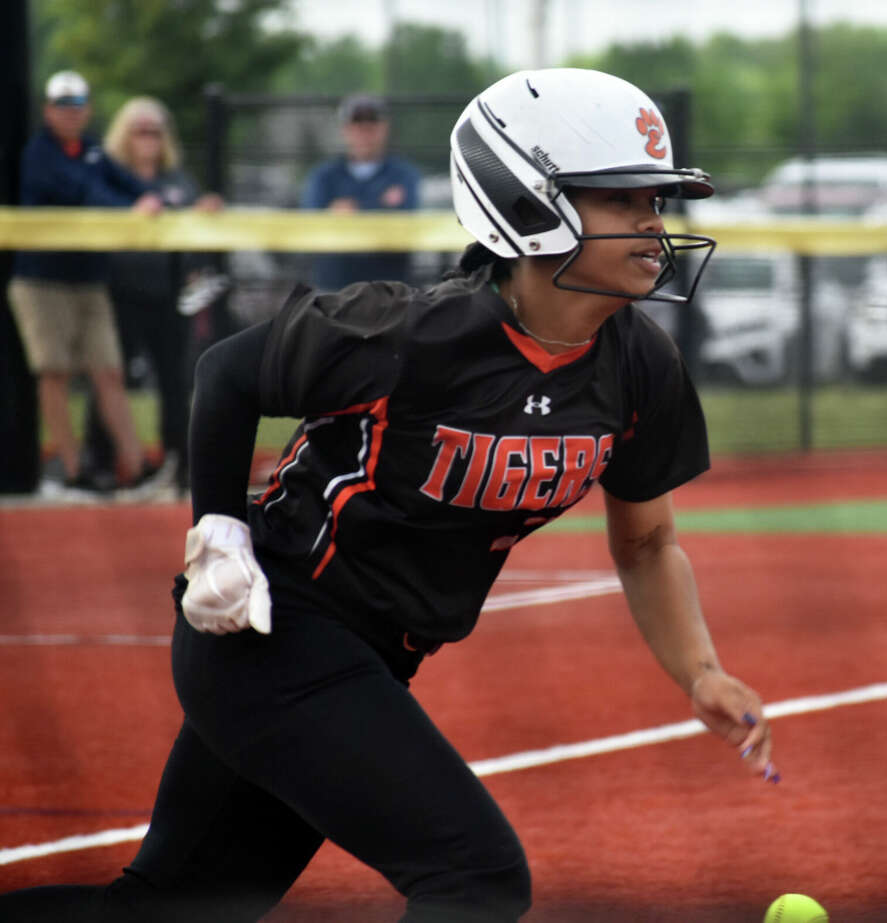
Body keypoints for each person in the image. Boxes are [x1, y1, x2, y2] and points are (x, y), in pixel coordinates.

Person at [0, 68, 777, 921]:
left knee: (168, 910)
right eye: (622, 200)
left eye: (655, 202)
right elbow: (226, 372)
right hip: (276, 634)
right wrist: (219, 531)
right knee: (476, 876)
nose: (652, 222)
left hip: (368, 660)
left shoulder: (639, 363)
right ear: (528, 199)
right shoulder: (415, 333)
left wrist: (701, 671)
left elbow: (649, 543)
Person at [6, 71, 163, 493]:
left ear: (88, 109)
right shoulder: (40, 154)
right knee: (54, 373)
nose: (70, 112)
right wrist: (132, 209)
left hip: (88, 280)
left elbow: (128, 184)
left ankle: (137, 468)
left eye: (77, 104)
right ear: (47, 110)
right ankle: (73, 471)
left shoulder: (92, 149)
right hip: (42, 281)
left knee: (109, 371)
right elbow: (83, 193)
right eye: (62, 104)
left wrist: (155, 198)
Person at [79, 95, 225, 493]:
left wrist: (205, 213)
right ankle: (99, 462)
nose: (149, 138)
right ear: (124, 135)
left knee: (175, 379)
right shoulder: (112, 178)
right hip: (119, 290)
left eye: (156, 131)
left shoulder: (178, 181)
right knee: (111, 375)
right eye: (140, 130)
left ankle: (179, 463)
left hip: (168, 291)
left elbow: (193, 227)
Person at [300, 92, 422, 290]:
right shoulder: (323, 175)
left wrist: (348, 212)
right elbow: (311, 225)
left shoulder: (404, 174)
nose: (365, 133)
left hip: (391, 291)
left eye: (372, 126)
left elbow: (408, 222)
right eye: (358, 126)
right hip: (333, 290)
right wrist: (380, 205)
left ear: (385, 129)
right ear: (345, 130)